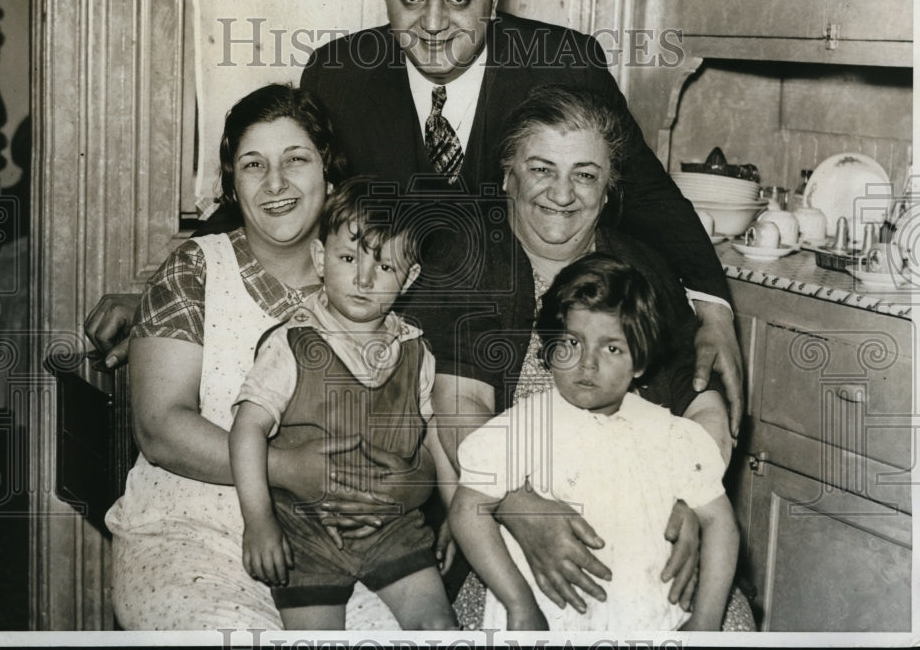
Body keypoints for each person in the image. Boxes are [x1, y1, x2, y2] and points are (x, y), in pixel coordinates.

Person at [86, 0, 743, 443]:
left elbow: (647, 194)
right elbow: (282, 193)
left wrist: (714, 309)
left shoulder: (559, 61)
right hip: (386, 361)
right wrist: (169, 294)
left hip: (508, 363)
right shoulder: (341, 74)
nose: (432, 25)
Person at [405, 84, 747, 623]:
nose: (562, 194)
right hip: (505, 528)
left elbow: (701, 400)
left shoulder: (641, 270)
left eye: (585, 175)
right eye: (541, 170)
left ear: (608, 190)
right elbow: (458, 411)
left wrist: (688, 501)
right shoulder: (466, 261)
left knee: (728, 622)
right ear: (508, 176)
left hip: (646, 524)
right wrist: (522, 511)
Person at [103, 85, 430, 630]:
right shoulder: (195, 270)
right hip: (193, 538)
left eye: (295, 159)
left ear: (330, 175)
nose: (275, 183)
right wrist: (290, 469)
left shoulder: (372, 285)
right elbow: (158, 428)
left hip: (346, 547)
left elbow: (417, 435)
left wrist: (402, 487)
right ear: (232, 184)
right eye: (253, 165)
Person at [449, 253, 739, 631]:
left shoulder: (667, 433)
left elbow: (720, 521)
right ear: (550, 349)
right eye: (572, 342)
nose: (588, 363)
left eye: (611, 348)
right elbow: (467, 510)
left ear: (640, 361)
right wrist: (518, 603)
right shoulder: (525, 427)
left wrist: (705, 623)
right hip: (550, 617)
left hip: (644, 621)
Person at [228, 177, 458, 630]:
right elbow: (246, 429)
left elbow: (435, 437)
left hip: (393, 527)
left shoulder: (416, 351)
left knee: (438, 628)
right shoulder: (292, 343)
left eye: (385, 266)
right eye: (348, 259)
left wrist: (455, 512)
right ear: (320, 259)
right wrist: (258, 520)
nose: (363, 280)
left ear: (409, 278)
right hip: (304, 531)